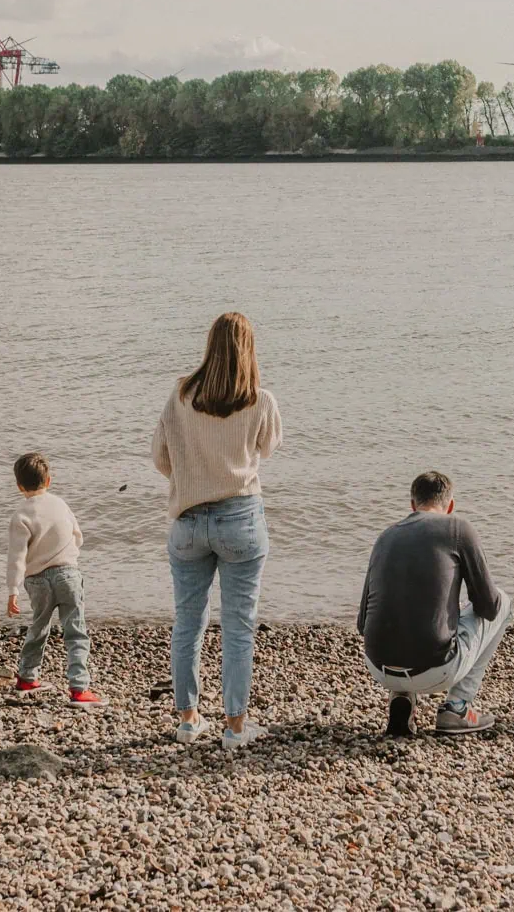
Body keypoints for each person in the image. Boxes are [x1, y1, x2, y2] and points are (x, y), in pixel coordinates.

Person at [151, 312, 282, 751]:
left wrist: (189, 475)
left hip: (188, 521)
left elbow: (160, 457)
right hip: (241, 518)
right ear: (250, 350)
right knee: (238, 627)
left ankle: (189, 720)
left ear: (209, 346)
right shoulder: (260, 399)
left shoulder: (181, 394)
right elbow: (268, 447)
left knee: (188, 622)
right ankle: (235, 727)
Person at [358, 471, 511, 737]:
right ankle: (457, 707)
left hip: (378, 665)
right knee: (503, 601)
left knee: (404, 607)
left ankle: (401, 698)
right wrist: (460, 609)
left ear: (412, 504)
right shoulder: (458, 529)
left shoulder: (385, 536)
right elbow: (489, 606)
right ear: (450, 506)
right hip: (436, 670)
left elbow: (363, 623)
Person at [6, 451, 104, 709]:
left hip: (37, 580)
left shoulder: (20, 515)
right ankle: (79, 689)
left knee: (38, 628)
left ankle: (27, 677)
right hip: (68, 574)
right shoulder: (60, 504)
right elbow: (77, 535)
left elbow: (17, 556)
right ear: (49, 481)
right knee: (75, 631)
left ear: (19, 486)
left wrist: (12, 590)